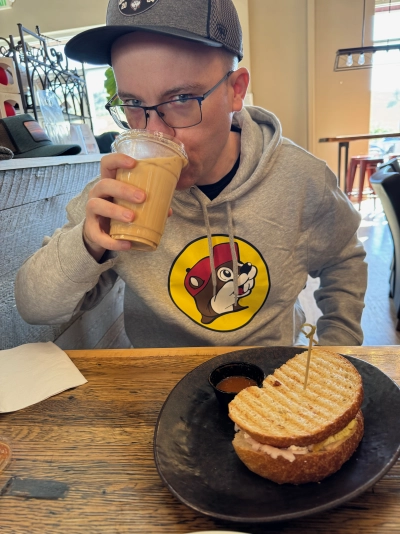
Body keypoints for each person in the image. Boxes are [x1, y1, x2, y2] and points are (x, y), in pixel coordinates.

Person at [15, 0, 367, 348]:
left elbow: (343, 260)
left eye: (181, 98)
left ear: (235, 90)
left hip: (271, 381)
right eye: (134, 105)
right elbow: (34, 308)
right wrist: (89, 244)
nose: (156, 133)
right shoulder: (118, 194)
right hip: (160, 384)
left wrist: (338, 347)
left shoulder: (302, 180)